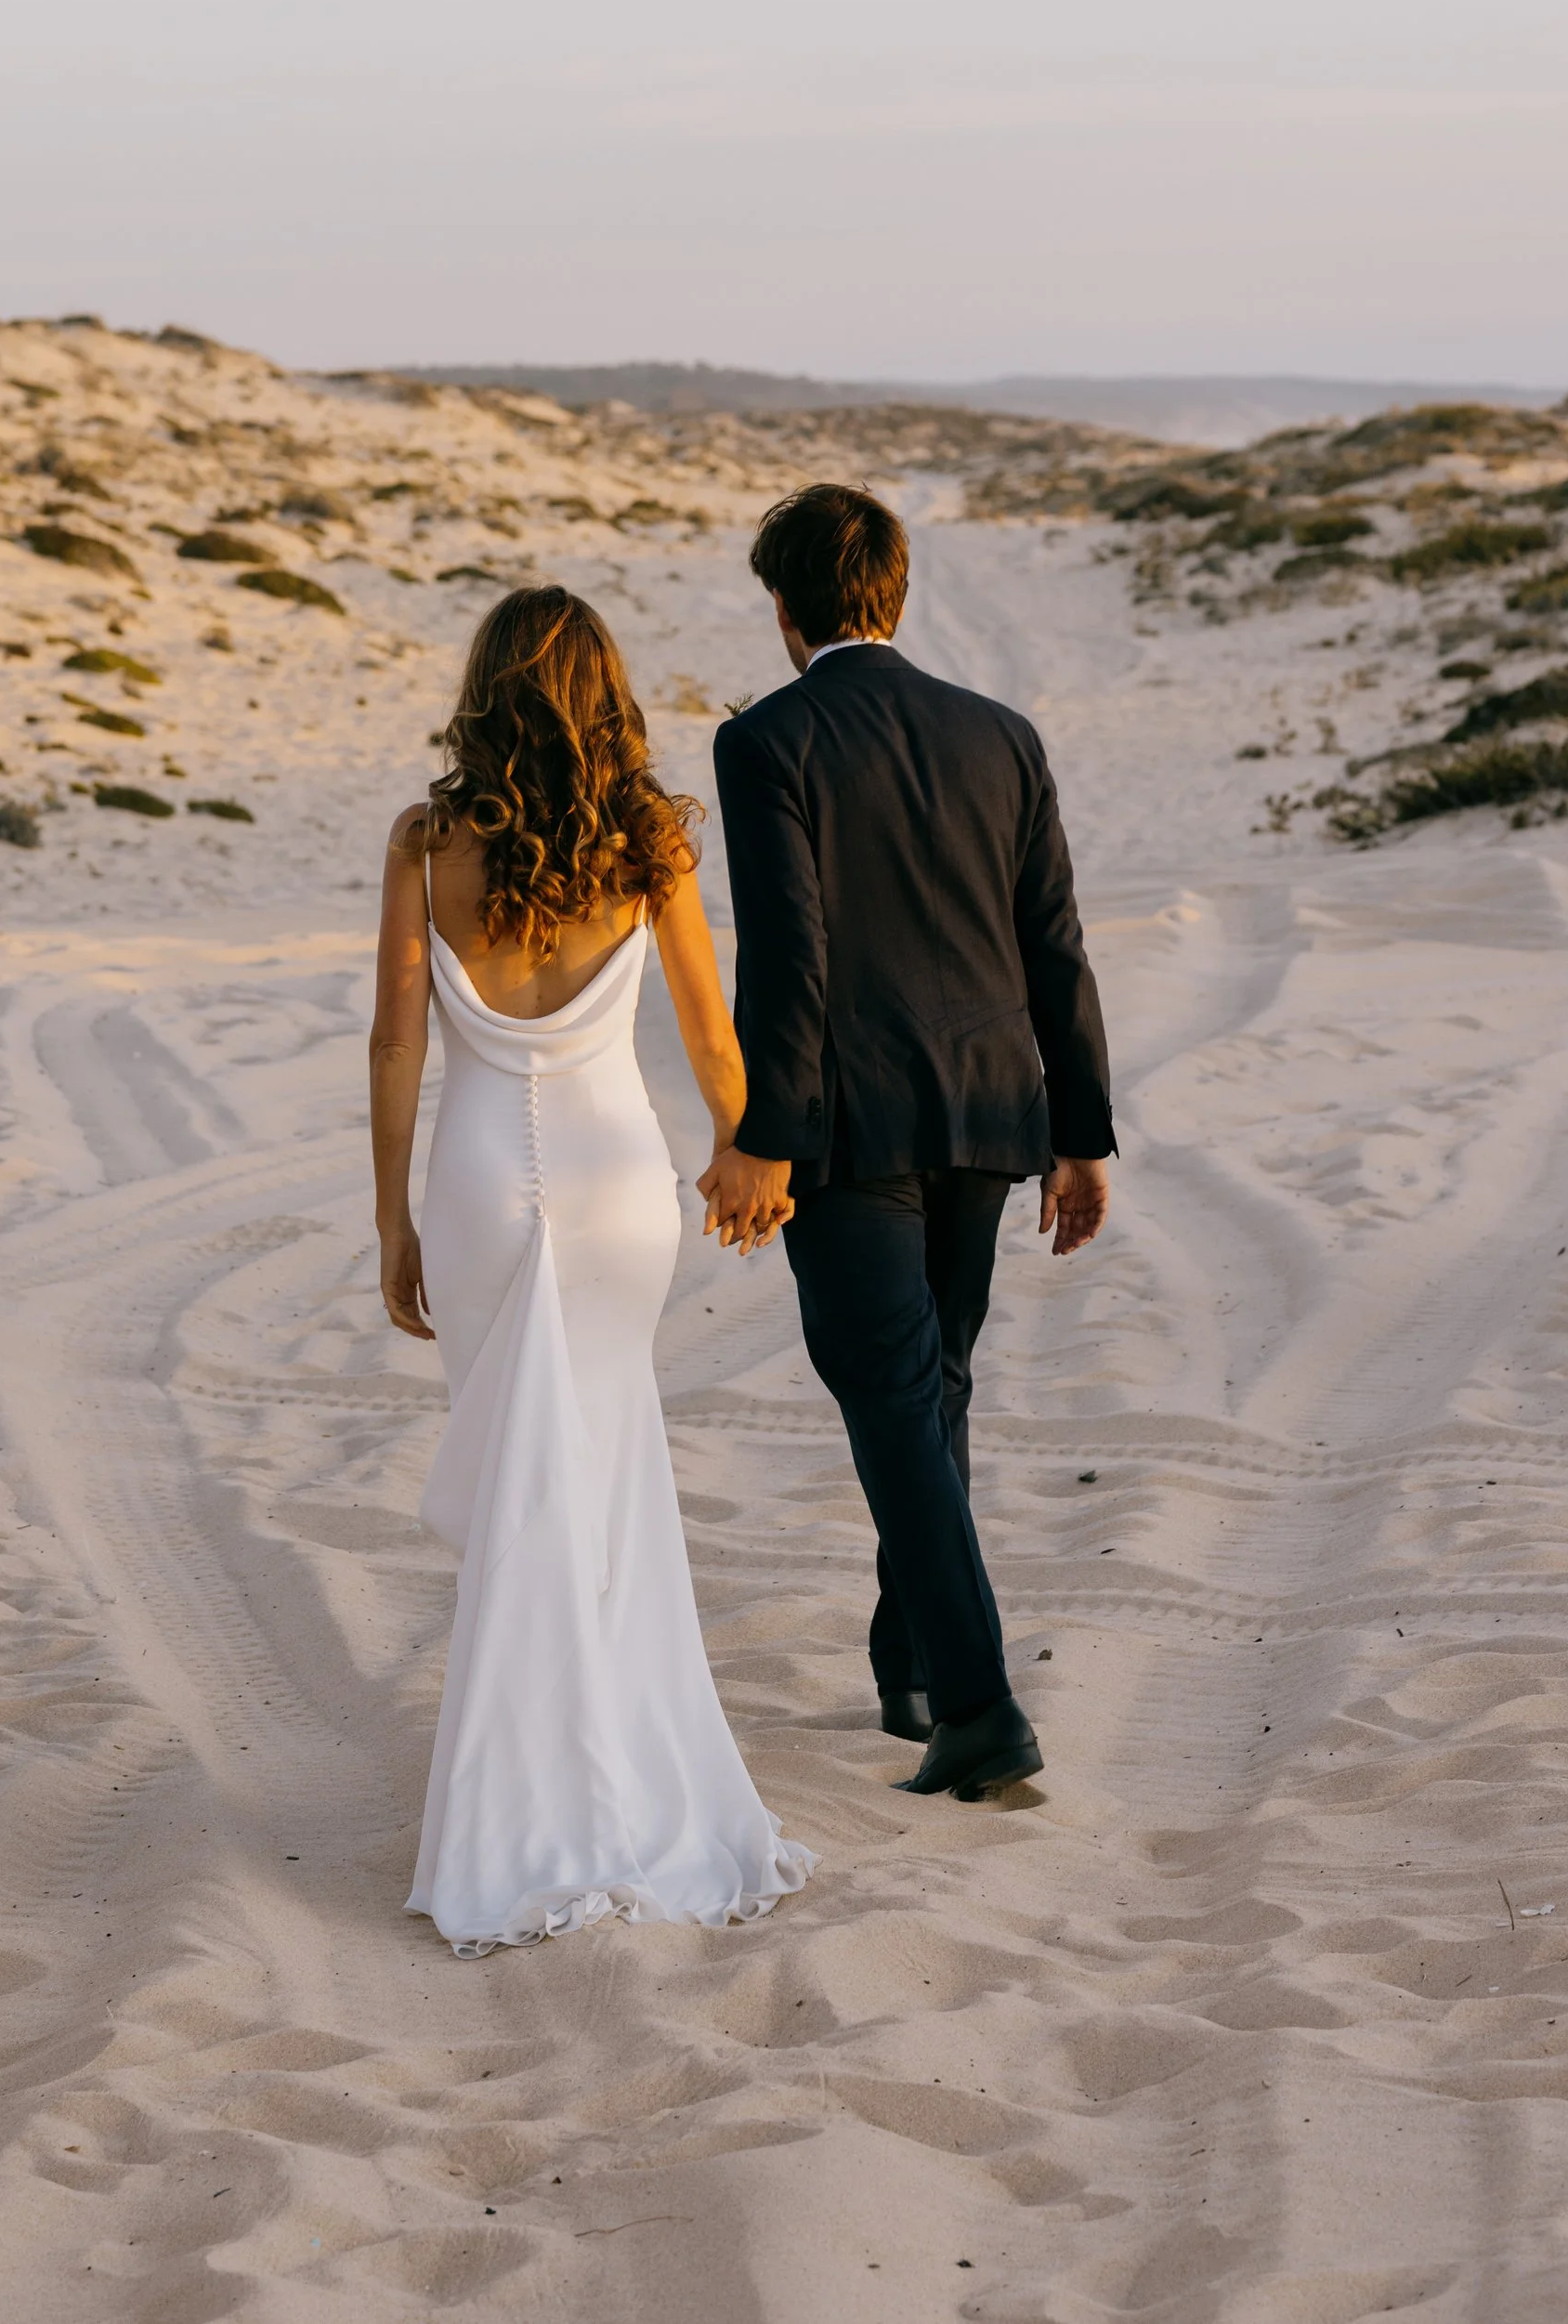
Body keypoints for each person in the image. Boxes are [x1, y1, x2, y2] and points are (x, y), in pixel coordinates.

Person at [369, 584, 813, 1954]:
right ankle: (621, 1772)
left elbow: (397, 1044)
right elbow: (706, 1029)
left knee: (521, 1489)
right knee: (609, 1475)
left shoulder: (426, 841)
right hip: (623, 1191)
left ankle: (525, 1805)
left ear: (486, 689)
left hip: (481, 1194)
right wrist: (753, 1146)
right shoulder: (652, 841)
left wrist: (392, 1220)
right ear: (603, 694)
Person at [707, 484, 1115, 1803]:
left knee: (896, 1408)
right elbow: (1053, 943)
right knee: (932, 1395)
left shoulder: (769, 741)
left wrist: (765, 1138)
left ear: (784, 609)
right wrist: (1082, 1131)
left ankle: (982, 1708)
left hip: (849, 1129)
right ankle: (915, 1670)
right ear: (895, 593)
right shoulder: (1002, 734)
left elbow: (788, 960)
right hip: (994, 1116)